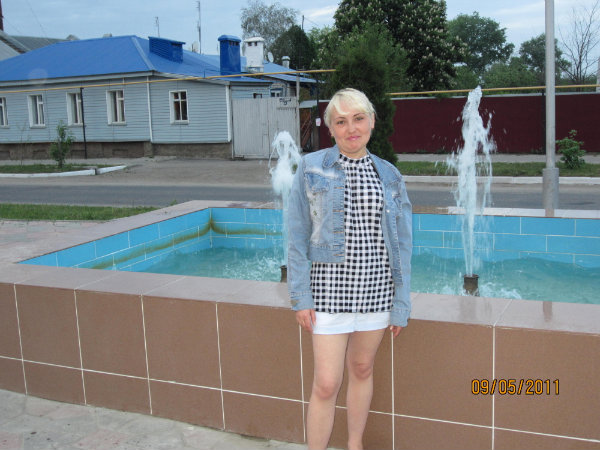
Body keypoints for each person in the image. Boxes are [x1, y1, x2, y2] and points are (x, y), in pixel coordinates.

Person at [287, 87, 412, 450]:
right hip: (327, 294)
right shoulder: (310, 168)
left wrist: (400, 303)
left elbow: (403, 244)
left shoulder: (390, 175)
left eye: (358, 118)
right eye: (341, 122)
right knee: (326, 383)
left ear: (372, 121)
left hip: (376, 291)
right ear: (331, 128)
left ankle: (354, 444)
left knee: (362, 369)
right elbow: (296, 236)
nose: (351, 128)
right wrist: (300, 297)